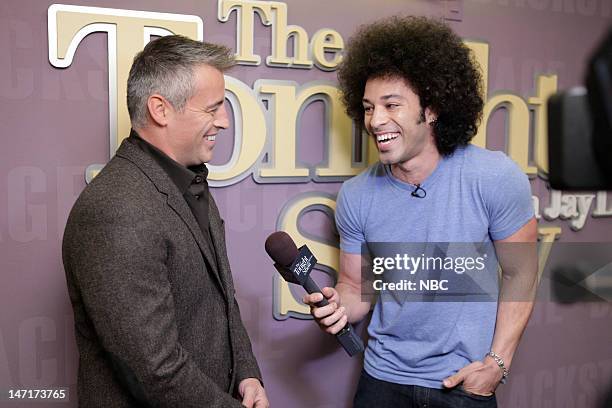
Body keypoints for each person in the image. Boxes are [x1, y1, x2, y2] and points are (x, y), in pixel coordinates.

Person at [303, 16, 537, 408]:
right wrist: (336, 306)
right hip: (381, 381)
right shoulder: (356, 196)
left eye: (391, 105)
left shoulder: (493, 176)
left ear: (432, 108)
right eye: (368, 107)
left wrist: (498, 363)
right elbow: (355, 287)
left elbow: (522, 271)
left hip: (463, 385)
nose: (376, 121)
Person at [62, 35, 268, 408]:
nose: (224, 122)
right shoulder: (115, 210)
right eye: (212, 108)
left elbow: (222, 300)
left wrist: (247, 373)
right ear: (160, 109)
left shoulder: (186, 180)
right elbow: (154, 370)